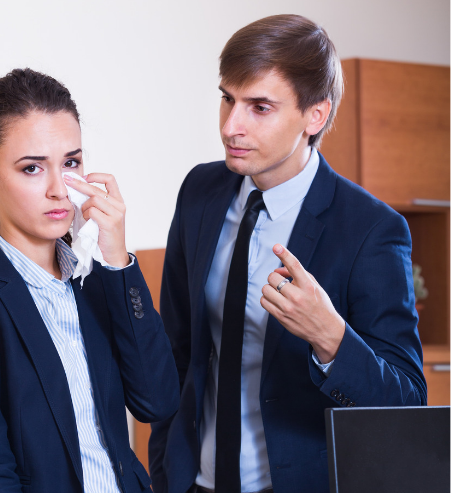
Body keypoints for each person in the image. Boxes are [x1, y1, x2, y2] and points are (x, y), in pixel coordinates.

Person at [148, 14, 426, 493]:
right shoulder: (200, 191)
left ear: (314, 116)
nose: (231, 125)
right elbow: (177, 348)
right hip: (192, 481)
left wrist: (332, 338)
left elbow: (407, 402)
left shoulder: (371, 229)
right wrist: (165, 465)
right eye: (227, 99)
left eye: (259, 107)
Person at [0, 68, 179, 493]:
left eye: (70, 162)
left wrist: (117, 260)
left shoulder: (99, 282)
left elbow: (158, 401)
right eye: (32, 168)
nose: (60, 189)